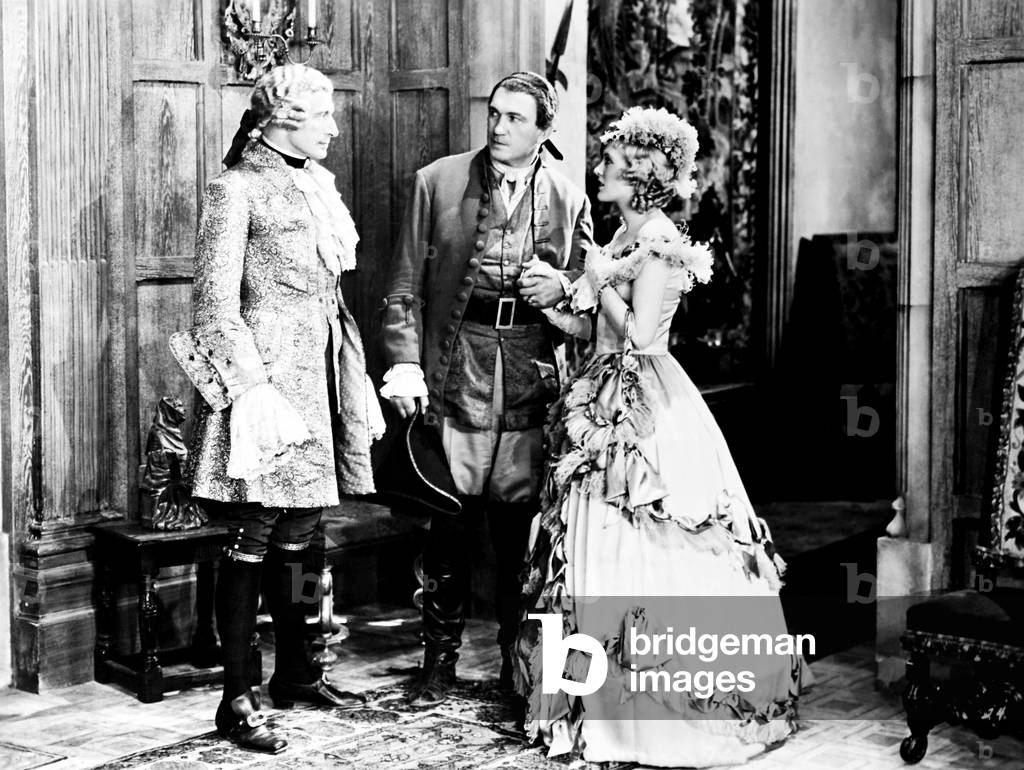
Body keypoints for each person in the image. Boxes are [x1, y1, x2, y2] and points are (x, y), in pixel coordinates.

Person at [513, 107, 807, 766]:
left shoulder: (659, 240)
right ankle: (593, 705)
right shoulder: (622, 236)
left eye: (610, 164)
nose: (599, 170)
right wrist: (563, 302)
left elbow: (643, 337)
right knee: (587, 547)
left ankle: (655, 716)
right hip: (600, 394)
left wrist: (592, 280)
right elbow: (601, 330)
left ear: (639, 175)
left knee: (651, 533)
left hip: (645, 405)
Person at [172, 63, 383, 753]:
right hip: (260, 393)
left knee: (304, 533)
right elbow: (212, 308)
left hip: (314, 383)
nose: (333, 125)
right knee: (252, 539)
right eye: (323, 115)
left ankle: (299, 673)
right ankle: (238, 698)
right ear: (286, 119)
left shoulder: (312, 185)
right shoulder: (235, 189)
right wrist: (252, 393)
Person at [380, 71, 594, 708]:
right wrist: (404, 365)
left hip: (530, 373)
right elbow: (401, 291)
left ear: (543, 130)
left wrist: (559, 291)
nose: (498, 128)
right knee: (447, 521)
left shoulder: (566, 194)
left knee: (517, 528)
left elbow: (589, 295)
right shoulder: (437, 182)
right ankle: (439, 663)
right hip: (458, 366)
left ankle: (513, 664)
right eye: (494, 115)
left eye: (514, 119)